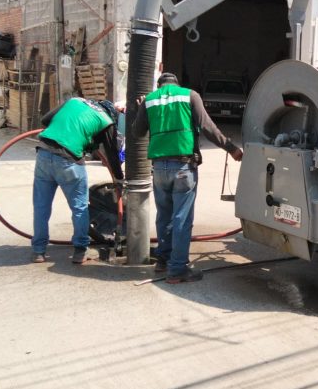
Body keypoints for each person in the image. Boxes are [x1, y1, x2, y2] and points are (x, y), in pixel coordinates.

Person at [133, 72, 243, 284]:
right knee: (181, 219)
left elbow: (137, 132)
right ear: (176, 84)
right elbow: (207, 127)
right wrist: (231, 148)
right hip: (182, 166)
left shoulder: (150, 100)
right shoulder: (190, 95)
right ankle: (177, 270)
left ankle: (163, 261)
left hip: (159, 168)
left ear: (159, 85)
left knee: (164, 216)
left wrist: (140, 108)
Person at [31, 97, 124, 264]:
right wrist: (119, 178)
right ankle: (80, 251)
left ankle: (39, 251)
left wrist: (68, 133)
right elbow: (112, 154)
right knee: (79, 207)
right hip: (69, 160)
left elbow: (45, 120)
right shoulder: (106, 120)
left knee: (41, 208)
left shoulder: (74, 101)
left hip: (43, 154)